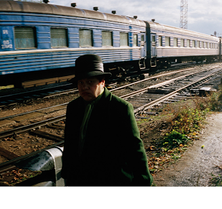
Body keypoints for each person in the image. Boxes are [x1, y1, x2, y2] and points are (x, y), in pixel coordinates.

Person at [61, 54, 153, 186]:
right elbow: (70, 143)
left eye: (90, 82)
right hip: (80, 178)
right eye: (81, 82)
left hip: (111, 179)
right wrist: (67, 173)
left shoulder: (120, 108)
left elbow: (134, 148)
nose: (84, 87)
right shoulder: (73, 107)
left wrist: (145, 182)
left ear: (102, 82)